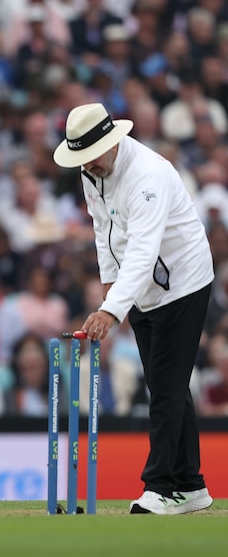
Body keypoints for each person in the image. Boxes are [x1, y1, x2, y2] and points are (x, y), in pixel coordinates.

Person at [53, 102, 214, 515]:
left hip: (182, 283)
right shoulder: (93, 170)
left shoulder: (148, 174)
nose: (87, 167)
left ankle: (160, 487)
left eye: (91, 157)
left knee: (164, 388)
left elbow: (144, 251)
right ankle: (191, 485)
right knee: (168, 385)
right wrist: (111, 288)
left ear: (112, 142)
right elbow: (102, 228)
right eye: (81, 160)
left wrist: (110, 310)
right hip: (138, 288)